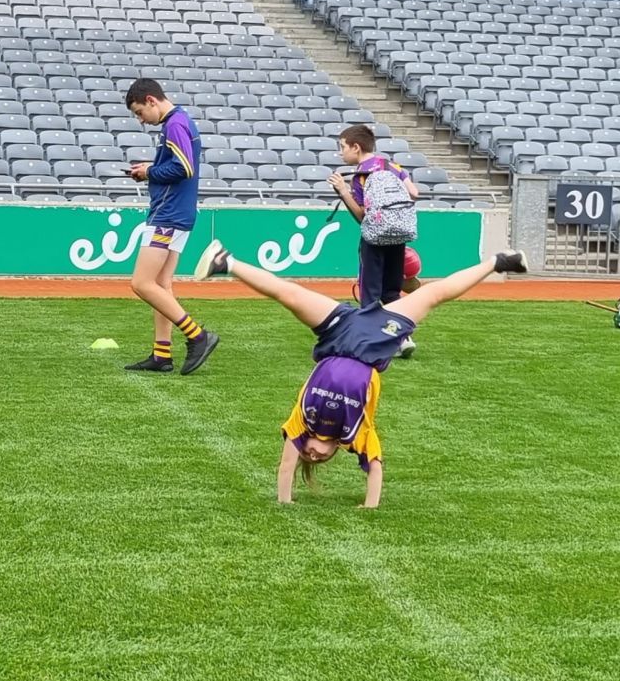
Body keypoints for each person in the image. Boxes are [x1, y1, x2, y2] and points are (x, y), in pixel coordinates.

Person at [191, 238, 529, 507]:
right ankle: (500, 262)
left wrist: (285, 499)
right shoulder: (354, 435)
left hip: (337, 334)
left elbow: (286, 463)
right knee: (434, 294)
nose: (312, 454)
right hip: (372, 343)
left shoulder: (301, 424)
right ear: (337, 451)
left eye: (308, 455)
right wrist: (370, 506)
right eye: (319, 458)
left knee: (288, 293)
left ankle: (227, 262)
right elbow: (375, 468)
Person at [123, 78, 218, 375]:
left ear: (151, 100)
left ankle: (197, 335)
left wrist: (149, 171)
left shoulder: (175, 124)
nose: (141, 120)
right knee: (162, 285)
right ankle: (161, 354)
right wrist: (149, 170)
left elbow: (183, 168)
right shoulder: (180, 121)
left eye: (140, 112)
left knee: (141, 283)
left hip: (168, 214)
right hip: (179, 213)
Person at [328, 125, 420, 356]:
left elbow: (361, 216)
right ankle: (403, 337)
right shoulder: (392, 166)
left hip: (374, 237)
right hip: (398, 233)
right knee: (392, 290)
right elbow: (414, 193)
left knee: (370, 293)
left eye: (343, 147)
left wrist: (343, 191)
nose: (341, 153)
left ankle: (370, 343)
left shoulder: (360, 176)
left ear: (356, 147)